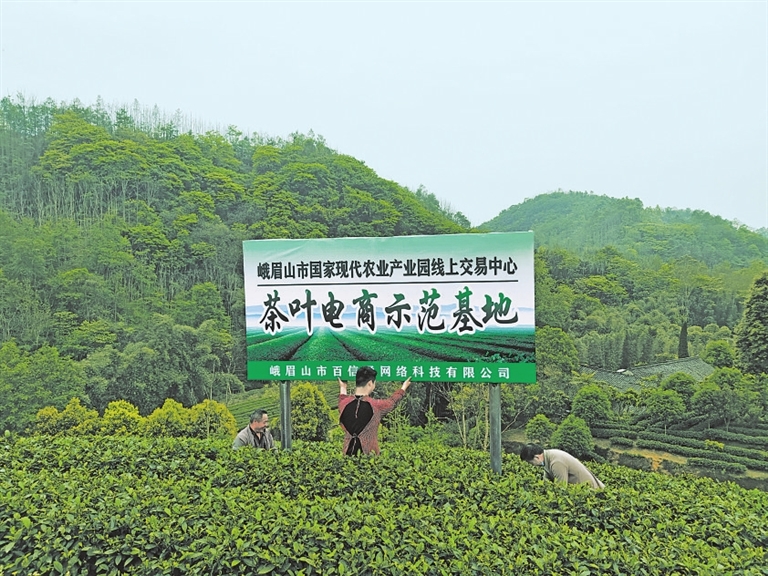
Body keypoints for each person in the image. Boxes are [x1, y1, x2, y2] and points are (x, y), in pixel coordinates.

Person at [337, 366, 412, 456]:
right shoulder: (376, 406)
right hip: (370, 460)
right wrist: (403, 388)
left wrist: (343, 386)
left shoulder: (344, 404)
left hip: (347, 458)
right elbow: (392, 401)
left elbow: (342, 398)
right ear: (369, 383)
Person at [519, 443, 604, 488]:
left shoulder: (556, 462)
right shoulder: (547, 458)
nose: (532, 465)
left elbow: (562, 489)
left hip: (591, 490)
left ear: (537, 457)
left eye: (531, 462)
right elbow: (546, 481)